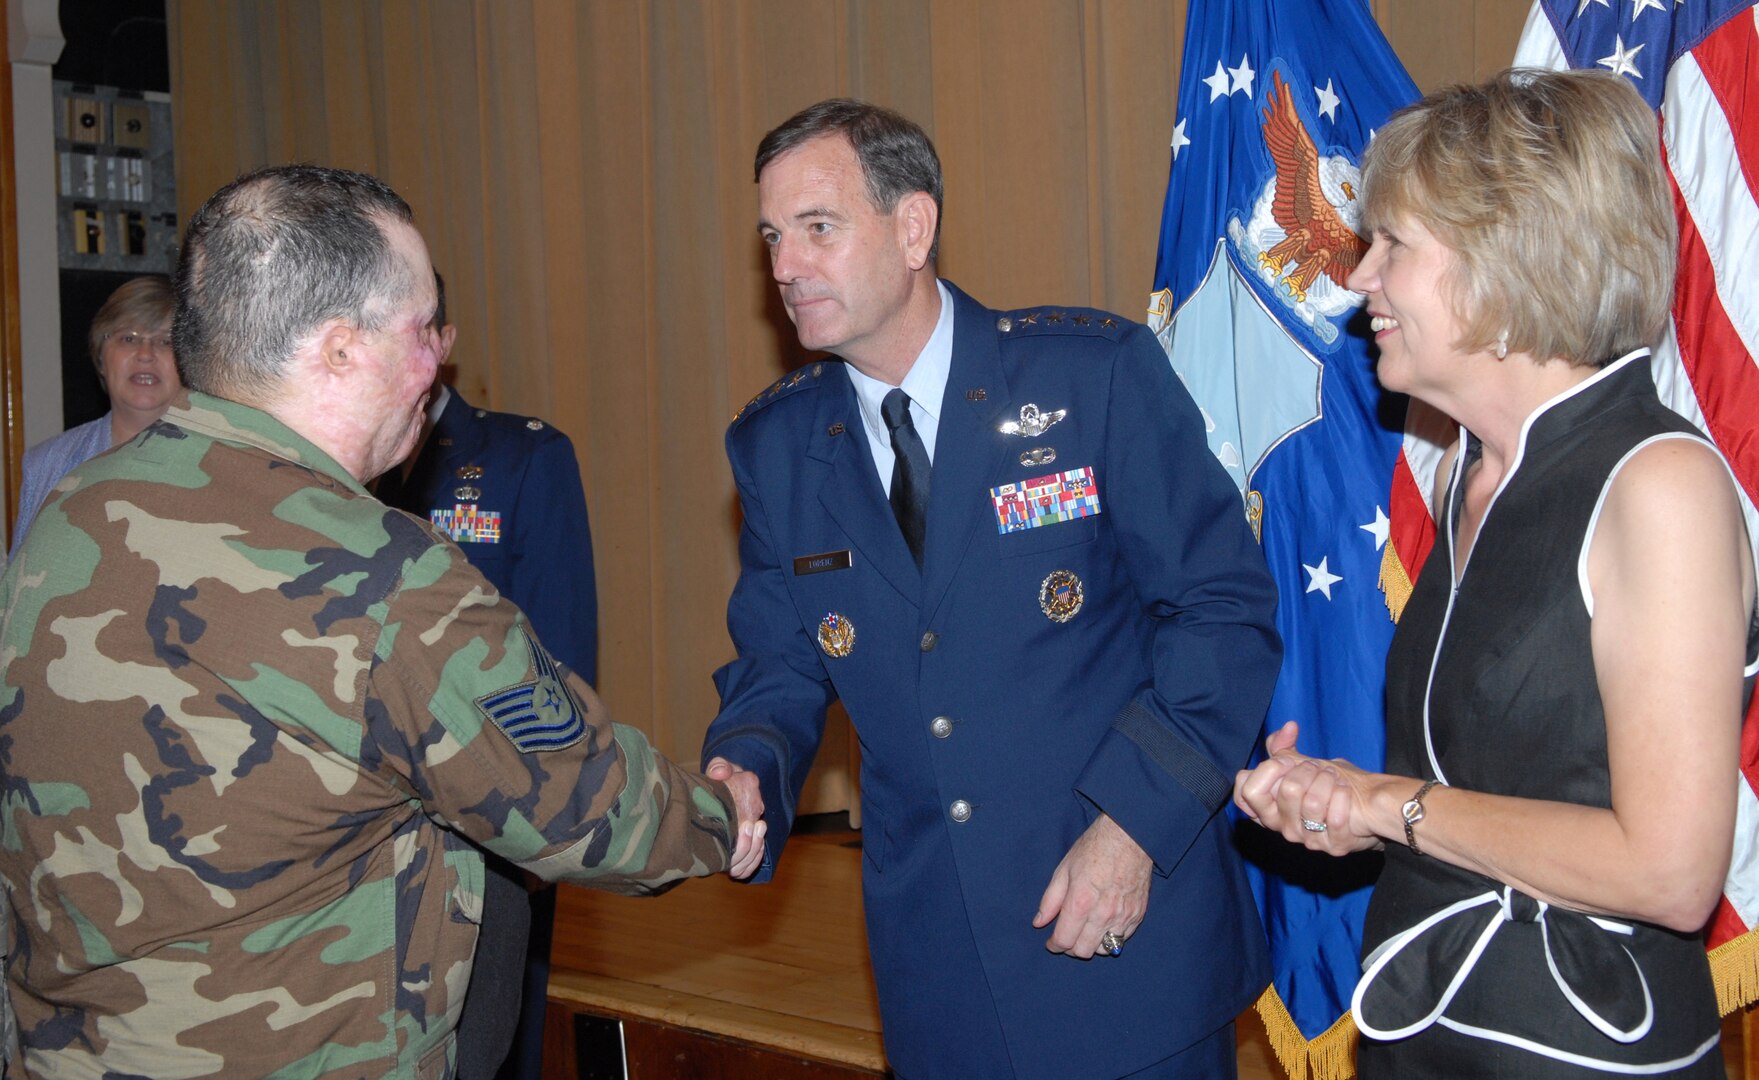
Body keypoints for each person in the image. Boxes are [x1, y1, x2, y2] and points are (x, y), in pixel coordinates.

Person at [0, 164, 763, 1078]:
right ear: (337, 349)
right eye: (419, 327)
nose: (440, 359)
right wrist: (727, 814)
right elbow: (587, 807)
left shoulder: (73, 508)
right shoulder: (379, 573)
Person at [701, 99, 1282, 1079]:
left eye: (818, 228)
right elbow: (780, 663)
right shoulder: (778, 447)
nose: (784, 266)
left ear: (913, 226)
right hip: (942, 961)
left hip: (1120, 925)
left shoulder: (1089, 375)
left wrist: (1136, 823)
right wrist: (747, 762)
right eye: (771, 237)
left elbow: (1222, 612)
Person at [1232, 69, 1756, 1077]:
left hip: (1578, 1052)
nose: (1354, 277)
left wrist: (1386, 805)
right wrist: (1341, 798)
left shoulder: (1658, 486)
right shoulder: (1476, 463)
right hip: (1427, 1030)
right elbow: (1488, 786)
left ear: (1508, 261)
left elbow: (1669, 871)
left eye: (1393, 245)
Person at [377, 271, 599, 1079]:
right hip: (362, 829)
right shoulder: (329, 461)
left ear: (440, 337)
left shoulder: (520, 456)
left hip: (488, 813)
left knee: (493, 1047)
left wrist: (547, 818)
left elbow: (560, 653)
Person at [10, 275, 181, 549]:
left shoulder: (225, 463)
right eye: (128, 338)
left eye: (165, 341)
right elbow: (19, 588)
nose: (145, 354)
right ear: (101, 357)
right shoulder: (47, 464)